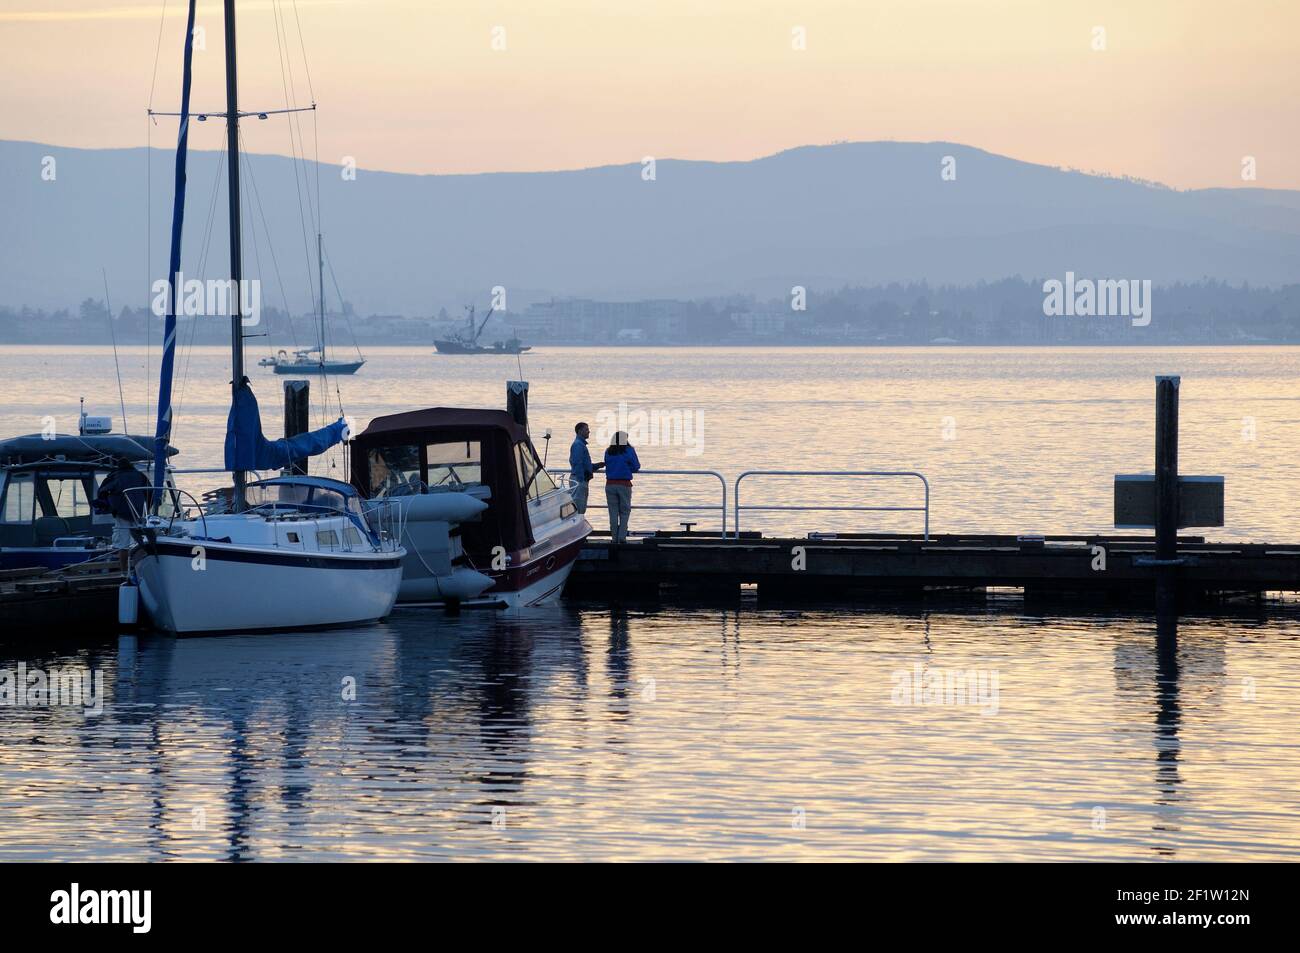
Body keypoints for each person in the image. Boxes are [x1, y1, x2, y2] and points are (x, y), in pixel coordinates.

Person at [93, 456, 149, 571]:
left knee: (123, 545)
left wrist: (108, 505)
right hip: (138, 514)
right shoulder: (140, 475)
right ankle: (140, 569)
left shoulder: (115, 476)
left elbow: (102, 491)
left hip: (122, 513)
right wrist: (147, 508)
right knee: (138, 543)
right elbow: (150, 492)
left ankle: (123, 571)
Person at [603, 430, 640, 544]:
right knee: (624, 511)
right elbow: (636, 466)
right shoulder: (629, 450)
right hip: (624, 484)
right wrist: (628, 467)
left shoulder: (608, 451)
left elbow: (606, 463)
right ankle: (622, 537)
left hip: (610, 484)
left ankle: (614, 538)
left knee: (613, 512)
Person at [568, 421, 603, 514]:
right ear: (580, 431)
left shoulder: (580, 444)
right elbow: (577, 463)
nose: (589, 431)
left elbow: (584, 464)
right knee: (579, 507)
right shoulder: (578, 445)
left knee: (581, 506)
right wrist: (581, 479)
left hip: (580, 479)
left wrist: (596, 466)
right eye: (586, 429)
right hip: (579, 479)